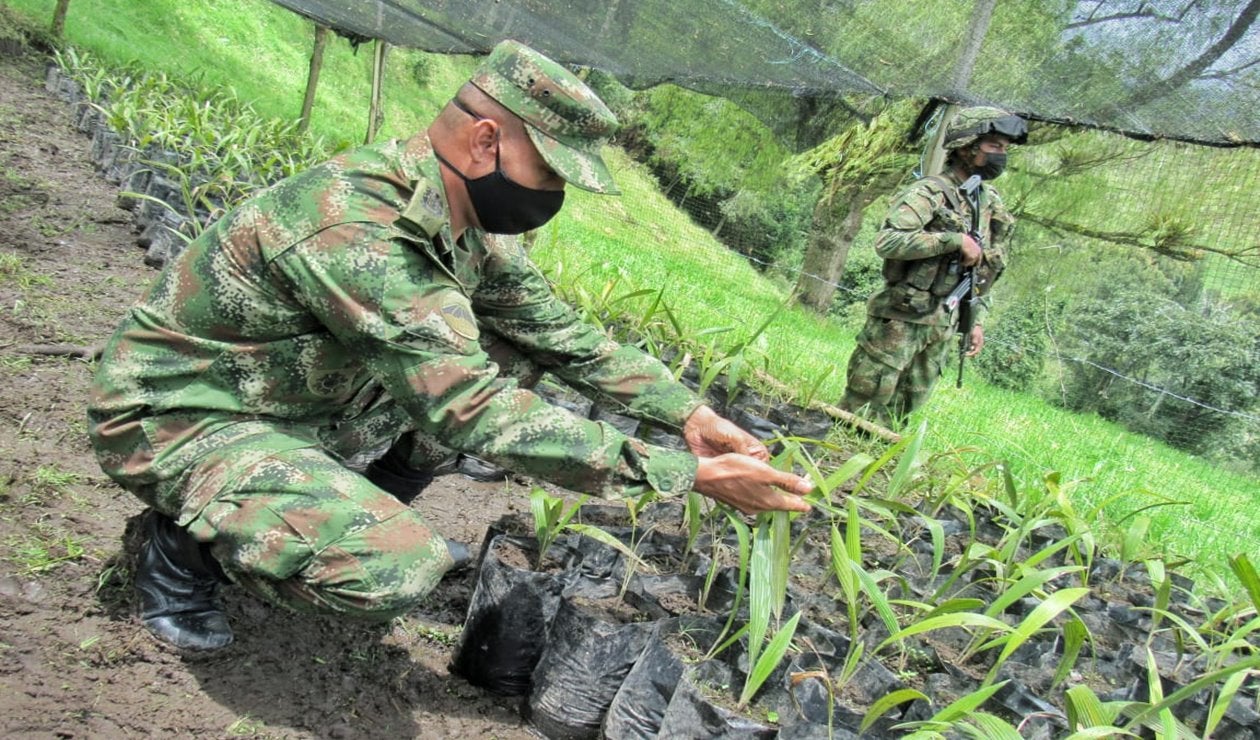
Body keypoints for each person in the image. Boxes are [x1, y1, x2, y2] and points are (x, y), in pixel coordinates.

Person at [86, 40, 813, 652]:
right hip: (185, 415)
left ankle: (353, 498)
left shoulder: (458, 217)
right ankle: (182, 543)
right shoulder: (360, 229)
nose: (552, 196)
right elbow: (468, 409)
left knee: (512, 346)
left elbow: (563, 335)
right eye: (550, 172)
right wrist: (684, 475)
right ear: (486, 140)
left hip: (293, 400)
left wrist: (687, 414)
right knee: (392, 569)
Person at [838, 106, 1027, 427]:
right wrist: (953, 241)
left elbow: (986, 269)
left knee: (902, 411)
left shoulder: (988, 201)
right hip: (901, 318)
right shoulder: (930, 192)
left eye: (1005, 149)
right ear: (968, 146)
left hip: (944, 322)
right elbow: (889, 241)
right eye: (994, 146)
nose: (1001, 155)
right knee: (862, 404)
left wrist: (976, 320)